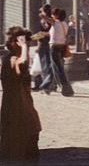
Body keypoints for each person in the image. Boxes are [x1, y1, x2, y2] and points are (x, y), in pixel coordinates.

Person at [0, 26, 41, 163]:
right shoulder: (10, 59)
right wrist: (24, 47)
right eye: (22, 41)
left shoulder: (14, 57)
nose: (26, 44)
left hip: (22, 104)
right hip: (16, 106)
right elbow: (22, 64)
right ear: (13, 42)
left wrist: (25, 46)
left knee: (32, 130)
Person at [47, 8, 74, 96]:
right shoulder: (64, 24)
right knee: (56, 67)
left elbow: (45, 18)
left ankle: (65, 87)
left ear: (57, 15)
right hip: (62, 47)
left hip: (55, 47)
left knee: (58, 68)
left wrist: (43, 13)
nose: (52, 16)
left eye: (53, 14)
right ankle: (50, 86)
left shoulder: (56, 23)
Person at [33, 4, 54, 94]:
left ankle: (47, 86)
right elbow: (40, 34)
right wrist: (36, 41)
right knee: (44, 66)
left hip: (49, 44)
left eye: (42, 11)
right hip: (43, 44)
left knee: (48, 66)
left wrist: (34, 37)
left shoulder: (51, 20)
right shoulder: (42, 21)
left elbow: (49, 33)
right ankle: (46, 86)